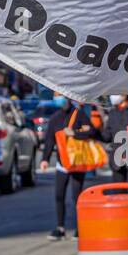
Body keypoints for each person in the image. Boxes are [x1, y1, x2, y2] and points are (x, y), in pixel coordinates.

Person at [38, 95, 97, 239]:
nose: (59, 99)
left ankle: (80, 228)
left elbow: (92, 132)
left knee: (77, 196)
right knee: (59, 195)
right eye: (56, 96)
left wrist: (75, 133)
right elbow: (49, 141)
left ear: (68, 97)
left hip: (77, 161)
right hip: (62, 162)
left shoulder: (79, 114)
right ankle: (60, 228)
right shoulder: (55, 118)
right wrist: (45, 159)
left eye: (61, 95)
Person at [94, 93, 128, 183]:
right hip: (117, 161)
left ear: (124, 95)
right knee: (118, 193)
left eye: (116, 93)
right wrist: (94, 131)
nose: (112, 96)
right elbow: (107, 136)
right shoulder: (113, 112)